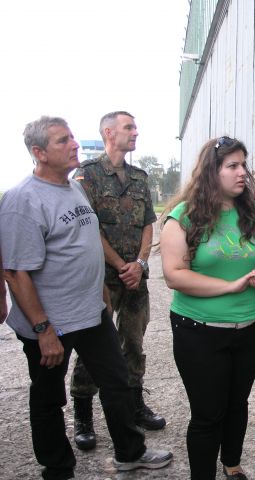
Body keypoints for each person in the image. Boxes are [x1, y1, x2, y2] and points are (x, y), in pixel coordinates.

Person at [0, 116, 172, 480]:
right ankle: (58, 468)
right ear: (39, 152)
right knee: (49, 398)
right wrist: (43, 329)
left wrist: (102, 295)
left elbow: (85, 246)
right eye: (63, 140)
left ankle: (130, 452)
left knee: (117, 381)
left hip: (92, 312)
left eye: (72, 137)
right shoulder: (22, 200)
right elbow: (16, 272)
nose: (75, 144)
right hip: (52, 323)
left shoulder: (73, 189)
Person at [160, 136, 255, 480]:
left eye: (244, 165)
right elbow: (174, 275)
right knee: (208, 415)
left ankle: (232, 464)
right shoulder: (183, 218)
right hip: (199, 331)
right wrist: (231, 286)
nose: (243, 172)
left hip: (251, 327)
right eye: (233, 166)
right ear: (212, 172)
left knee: (237, 403)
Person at [69, 111, 165, 451]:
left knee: (134, 342)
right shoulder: (87, 175)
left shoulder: (139, 177)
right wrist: (121, 265)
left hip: (135, 278)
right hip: (102, 280)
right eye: (129, 127)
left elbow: (148, 223)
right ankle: (83, 415)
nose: (136, 132)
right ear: (109, 133)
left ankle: (135, 405)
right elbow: (87, 227)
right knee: (95, 347)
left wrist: (139, 263)